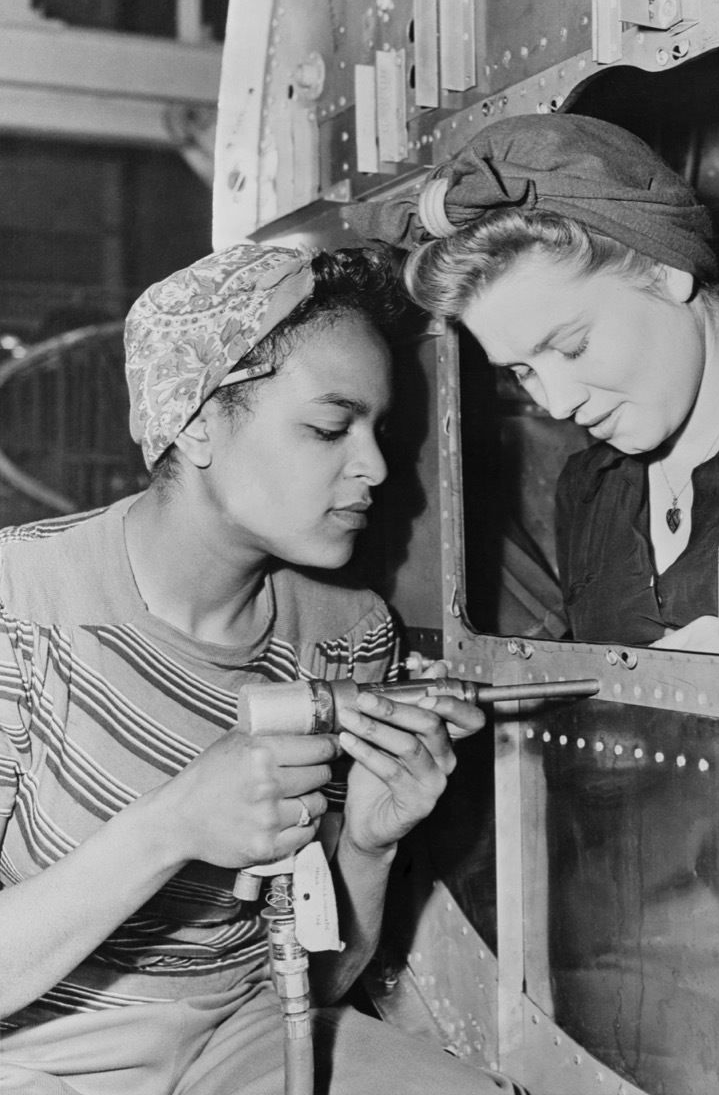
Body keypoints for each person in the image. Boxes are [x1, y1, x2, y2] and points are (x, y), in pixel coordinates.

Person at [0, 243, 524, 1095]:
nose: (378, 469)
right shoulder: (20, 603)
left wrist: (366, 841)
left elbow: (315, 981)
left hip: (244, 1033)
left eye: (378, 431)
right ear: (198, 419)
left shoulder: (347, 632)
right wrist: (169, 827)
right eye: (328, 428)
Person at [344, 111, 719, 660]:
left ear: (663, 267)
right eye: (521, 371)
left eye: (572, 346)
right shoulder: (588, 488)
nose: (557, 404)